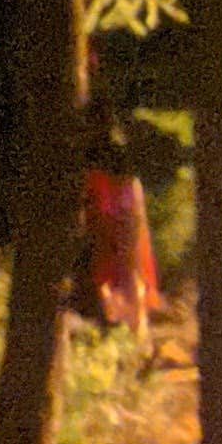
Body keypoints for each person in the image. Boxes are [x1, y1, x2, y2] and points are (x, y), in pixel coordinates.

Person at [77, 101, 159, 334]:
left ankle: (125, 324)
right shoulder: (119, 154)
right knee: (126, 271)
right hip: (122, 213)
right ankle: (131, 326)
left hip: (108, 214)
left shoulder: (89, 154)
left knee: (110, 272)